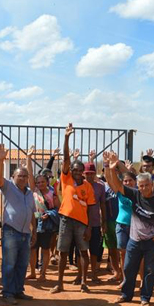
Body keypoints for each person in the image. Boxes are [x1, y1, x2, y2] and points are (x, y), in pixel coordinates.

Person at [105, 151, 154, 306]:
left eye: (147, 185)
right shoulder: (135, 195)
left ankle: (145, 298)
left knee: (149, 271)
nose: (144, 189)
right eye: (141, 186)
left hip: (151, 243)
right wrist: (113, 168)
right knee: (128, 268)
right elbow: (118, 186)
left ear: (150, 185)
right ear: (138, 187)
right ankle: (126, 295)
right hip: (134, 241)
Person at [52, 123, 96, 294]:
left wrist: (90, 228)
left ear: (83, 172)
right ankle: (60, 283)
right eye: (74, 170)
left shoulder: (88, 187)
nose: (77, 172)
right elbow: (66, 158)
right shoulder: (66, 179)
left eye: (80, 170)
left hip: (82, 223)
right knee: (63, 252)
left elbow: (92, 209)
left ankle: (84, 282)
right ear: (70, 170)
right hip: (65, 220)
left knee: (83, 252)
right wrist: (66, 137)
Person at [0, 143, 37, 304]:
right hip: (11, 232)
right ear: (13, 177)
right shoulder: (9, 187)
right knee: (10, 264)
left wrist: (33, 231)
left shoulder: (29, 193)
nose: (23, 178)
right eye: (20, 176)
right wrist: (0, 160)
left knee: (21, 265)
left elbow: (32, 212)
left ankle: (19, 290)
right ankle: (8, 292)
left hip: (26, 233)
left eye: (25, 176)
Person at [30, 170, 61, 281]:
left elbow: (58, 209)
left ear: (47, 182)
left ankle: (43, 273)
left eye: (42, 182)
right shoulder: (35, 192)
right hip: (34, 223)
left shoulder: (53, 193)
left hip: (47, 225)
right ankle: (33, 272)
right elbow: (30, 173)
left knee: (45, 249)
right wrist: (29, 158)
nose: (40, 184)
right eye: (38, 182)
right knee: (33, 249)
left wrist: (48, 214)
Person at [84, 157, 107, 283]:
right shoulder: (80, 186)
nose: (89, 176)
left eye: (91, 173)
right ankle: (81, 275)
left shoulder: (100, 187)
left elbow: (103, 204)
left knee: (94, 250)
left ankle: (93, 274)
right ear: (84, 174)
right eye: (87, 173)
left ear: (95, 174)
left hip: (95, 222)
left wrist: (104, 221)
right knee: (81, 250)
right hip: (81, 222)